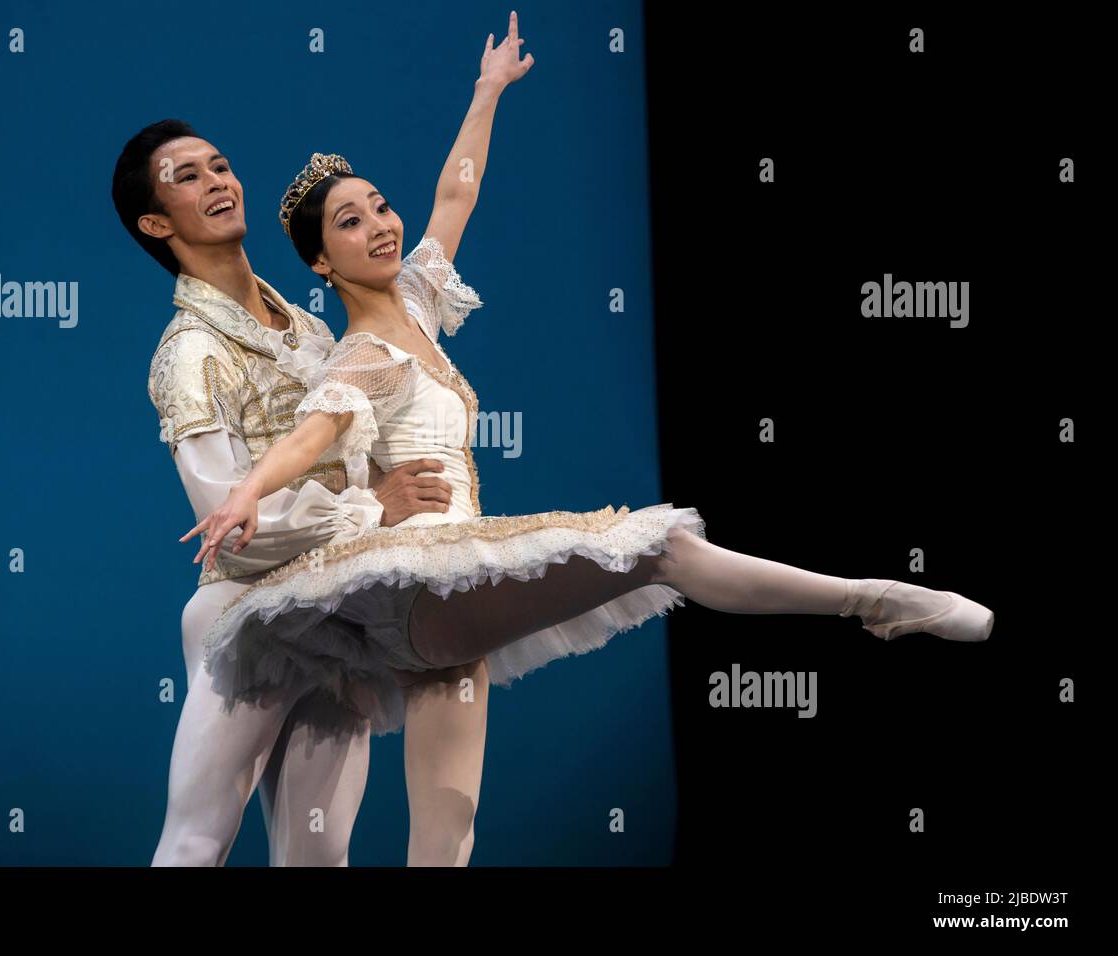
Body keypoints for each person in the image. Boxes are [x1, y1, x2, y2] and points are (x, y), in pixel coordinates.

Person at [187, 14, 994, 822]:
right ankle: (873, 599)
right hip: (424, 584)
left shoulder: (421, 309)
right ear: (322, 262)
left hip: (447, 601)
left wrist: (488, 88)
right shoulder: (359, 353)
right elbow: (312, 433)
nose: (381, 224)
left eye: (379, 205)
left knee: (448, 829)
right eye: (350, 222)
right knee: (664, 547)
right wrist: (247, 490)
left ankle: (876, 601)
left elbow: (455, 191)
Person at [114, 118, 477, 866]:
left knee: (319, 853)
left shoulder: (310, 329)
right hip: (247, 615)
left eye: (220, 165)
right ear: (156, 223)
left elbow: (344, 445)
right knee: (196, 840)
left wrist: (380, 486)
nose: (217, 181)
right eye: (188, 176)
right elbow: (231, 519)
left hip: (337, 611)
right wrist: (378, 504)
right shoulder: (190, 353)